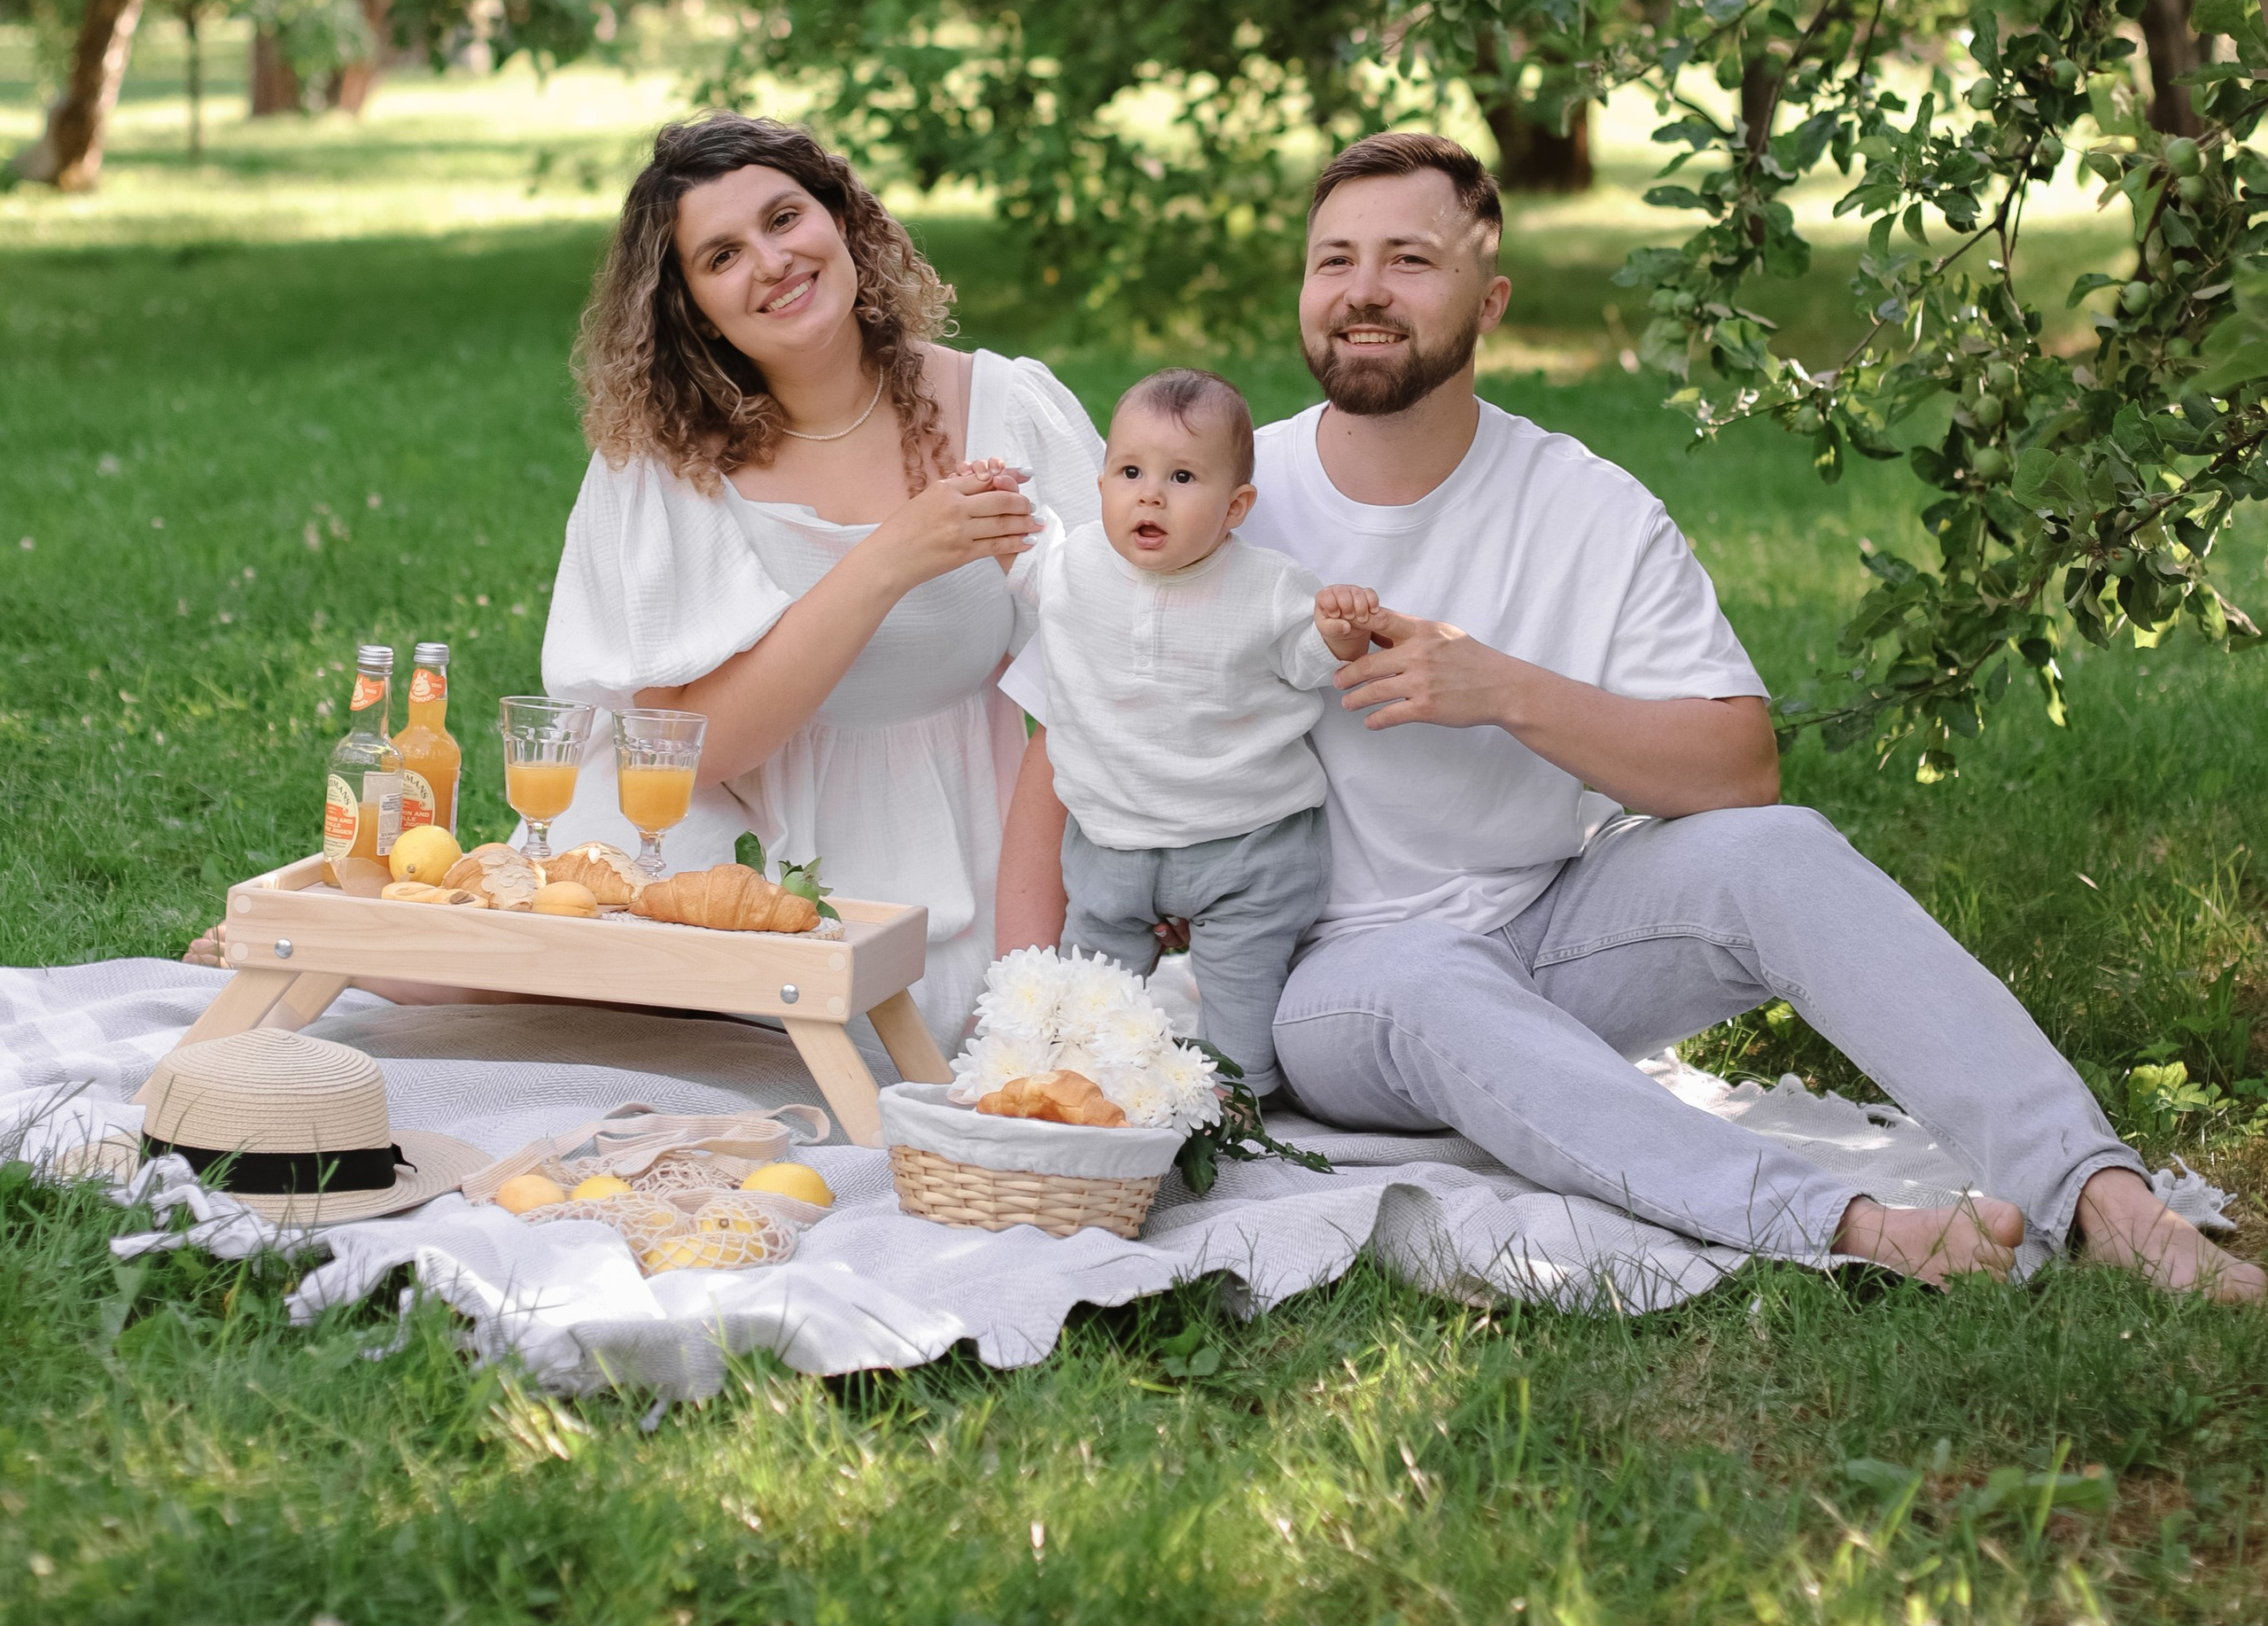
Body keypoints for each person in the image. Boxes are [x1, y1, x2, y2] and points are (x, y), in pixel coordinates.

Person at [1236, 129, 2261, 1299]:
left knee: (1775, 853)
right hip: (1336, 986)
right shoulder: (1234, 505)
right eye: (1335, 261)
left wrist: (1504, 690)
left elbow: (1738, 769)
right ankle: (1854, 1226)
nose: (1363, 291)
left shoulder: (1584, 506)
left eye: (1408, 259)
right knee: (1426, 980)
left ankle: (2103, 1202)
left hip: (1548, 936)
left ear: (1493, 297)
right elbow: (1092, 746)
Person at [533, 114, 1099, 1043]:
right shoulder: (662, 463)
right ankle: (392, 958)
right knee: (583, 935)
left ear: (840, 217)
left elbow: (1100, 669)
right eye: (721, 256)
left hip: (957, 814)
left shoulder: (1008, 407)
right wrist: (889, 557)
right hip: (721, 816)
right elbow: (689, 755)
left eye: (784, 218)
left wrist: (1035, 918)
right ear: (690, 306)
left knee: (936, 1034)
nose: (770, 262)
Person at [998, 365, 1380, 1093]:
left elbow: (1309, 663)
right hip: (1111, 842)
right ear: (1103, 483)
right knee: (1089, 1001)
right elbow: (1022, 558)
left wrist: (1341, 634)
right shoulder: (1074, 564)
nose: (1150, 493)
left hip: (1247, 843)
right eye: (1131, 471)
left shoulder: (1267, 586)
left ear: (1235, 507)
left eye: (1182, 478)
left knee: (1240, 996)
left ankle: (1237, 1103)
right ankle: (1086, 1092)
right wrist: (998, 505)